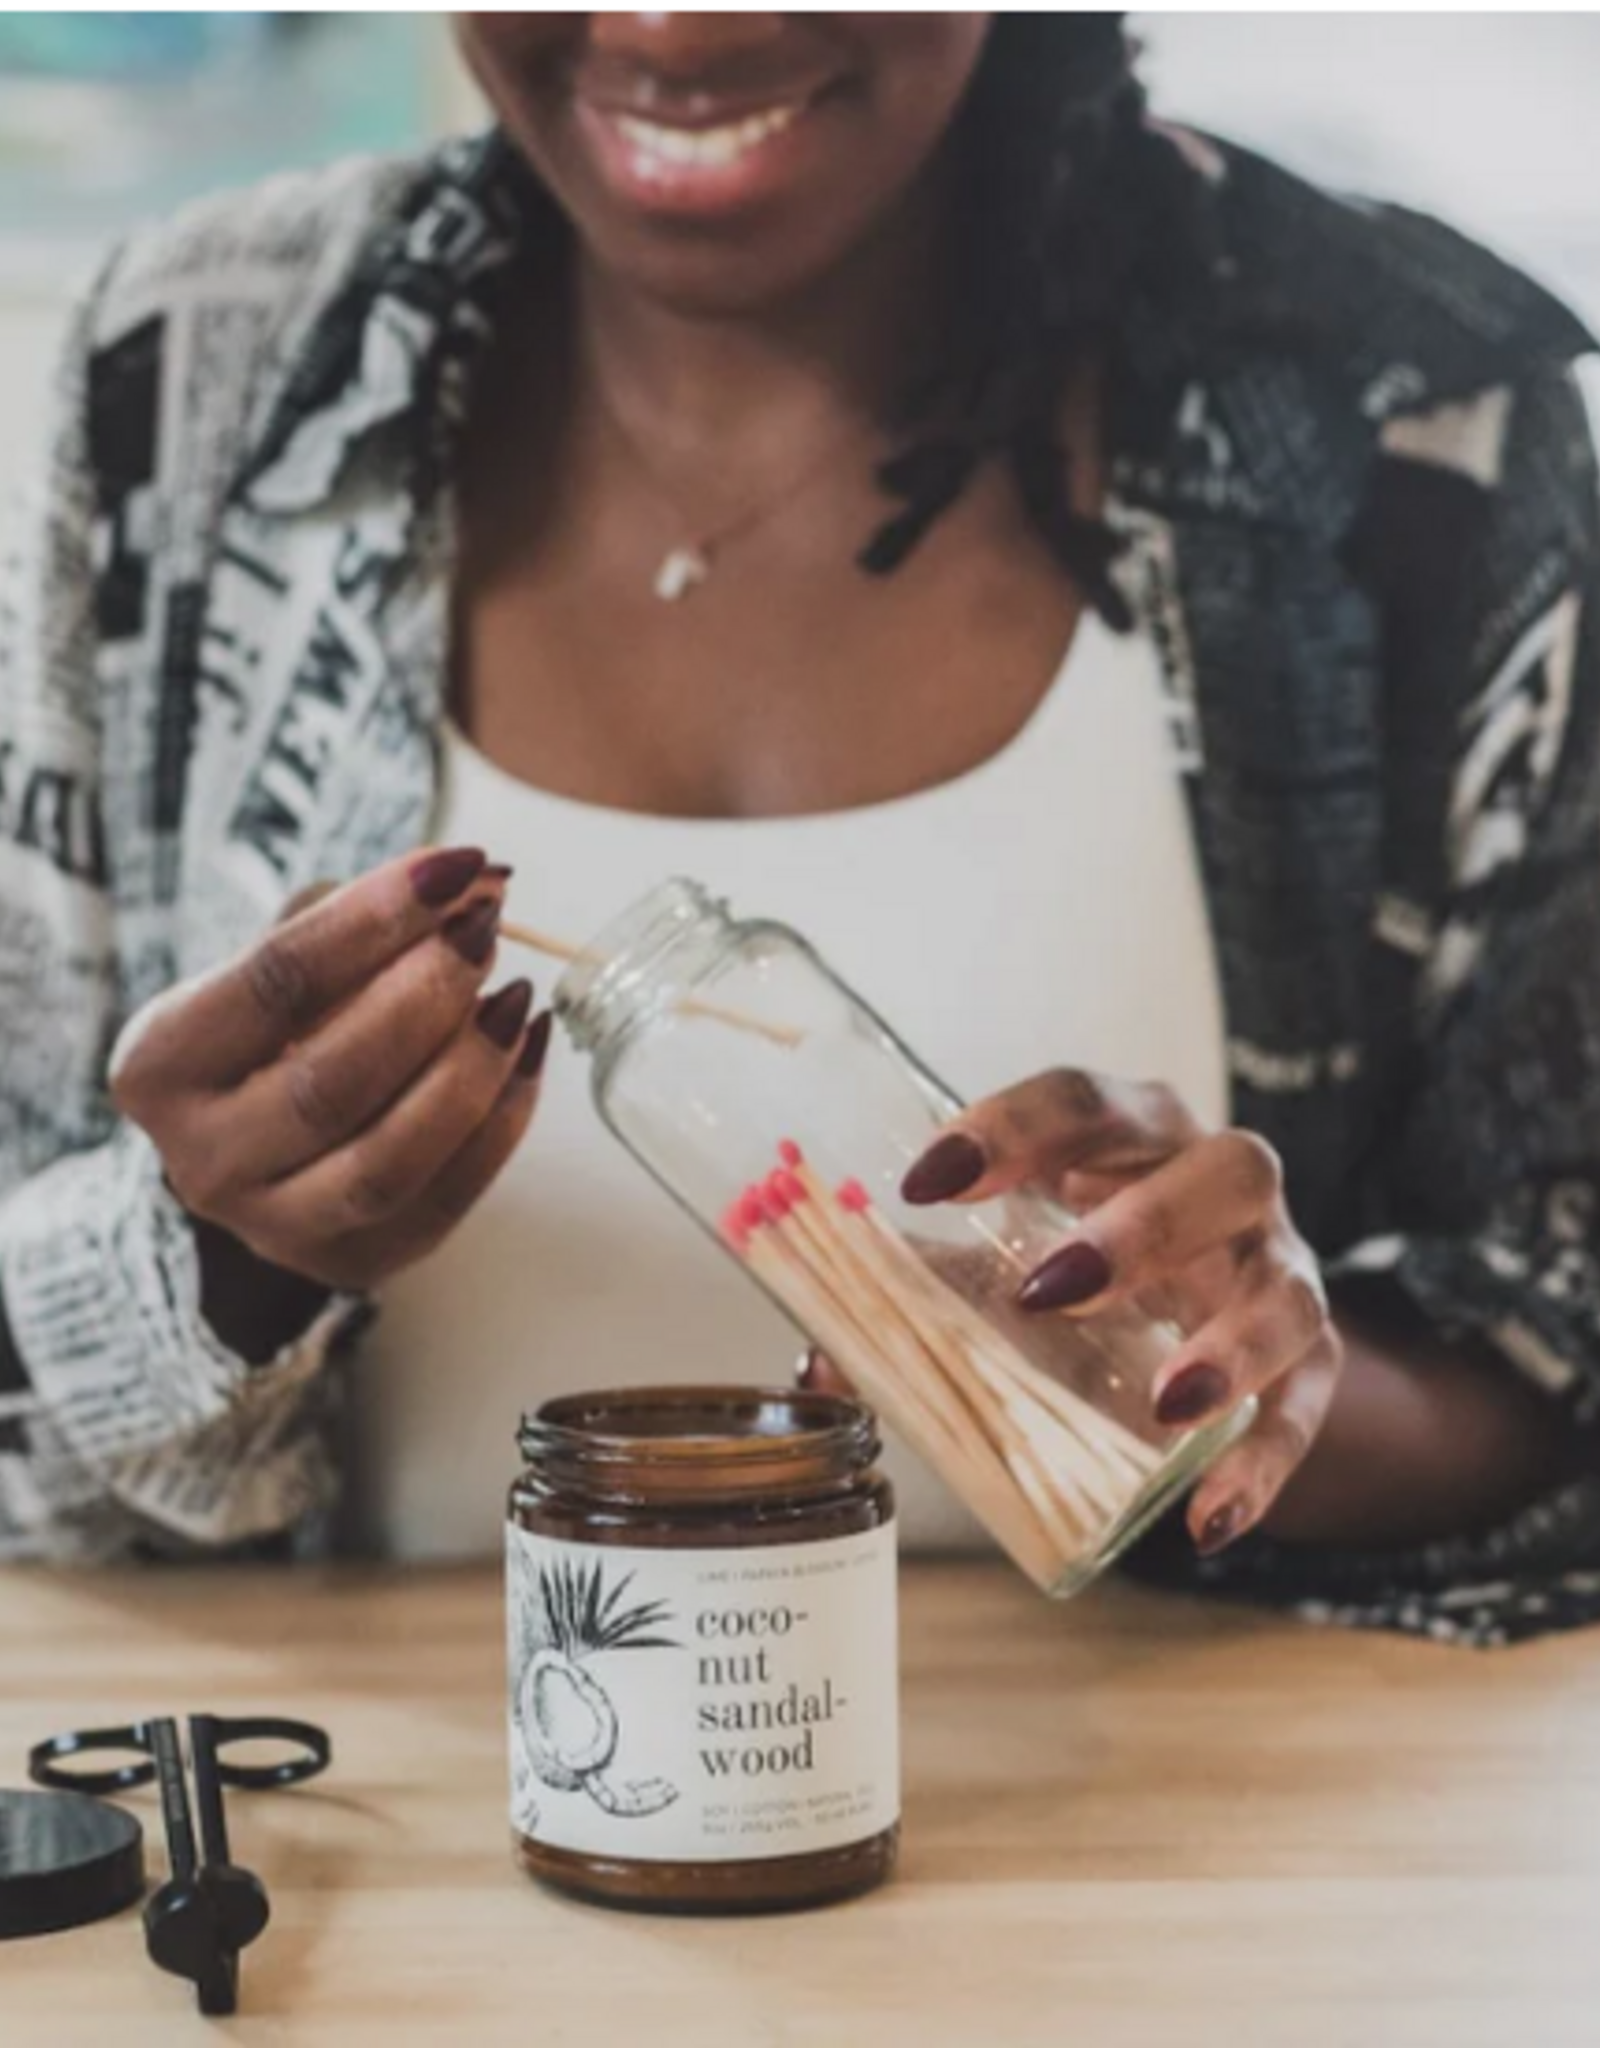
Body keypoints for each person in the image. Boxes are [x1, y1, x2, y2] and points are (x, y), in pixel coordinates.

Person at [1, 14, 1595, 1644]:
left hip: (1176, 1863)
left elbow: (1565, 1345)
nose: (673, 26)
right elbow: (24, 1456)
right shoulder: (189, 377)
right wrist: (220, 1261)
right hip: (374, 1869)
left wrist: (1230, 1381)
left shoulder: (1414, 420)